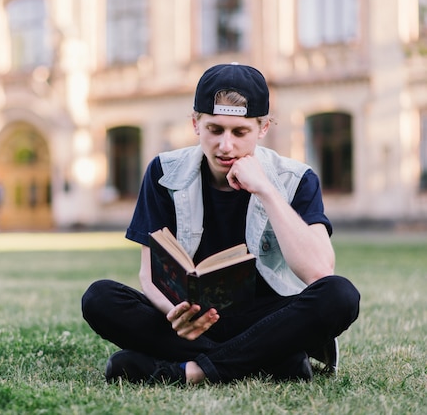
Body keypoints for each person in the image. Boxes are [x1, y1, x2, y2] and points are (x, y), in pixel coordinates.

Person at [81, 63, 360, 385]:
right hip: (193, 318)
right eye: (215, 129)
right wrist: (175, 314)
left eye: (240, 132)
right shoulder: (164, 171)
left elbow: (318, 272)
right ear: (196, 124)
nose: (225, 146)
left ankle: (191, 371)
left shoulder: (296, 178)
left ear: (263, 128)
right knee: (100, 298)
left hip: (268, 318)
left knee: (340, 294)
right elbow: (151, 273)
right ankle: (271, 360)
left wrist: (267, 190)